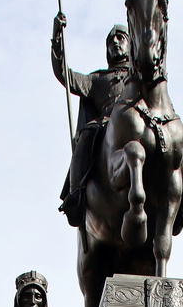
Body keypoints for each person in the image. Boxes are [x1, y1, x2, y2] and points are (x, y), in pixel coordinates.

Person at [52, 14, 131, 227]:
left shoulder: (140, 75)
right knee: (87, 133)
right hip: (107, 126)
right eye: (111, 41)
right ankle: (76, 194)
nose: (115, 42)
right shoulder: (97, 79)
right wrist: (57, 36)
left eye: (121, 38)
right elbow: (64, 75)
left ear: (131, 44)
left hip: (141, 121)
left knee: (176, 133)